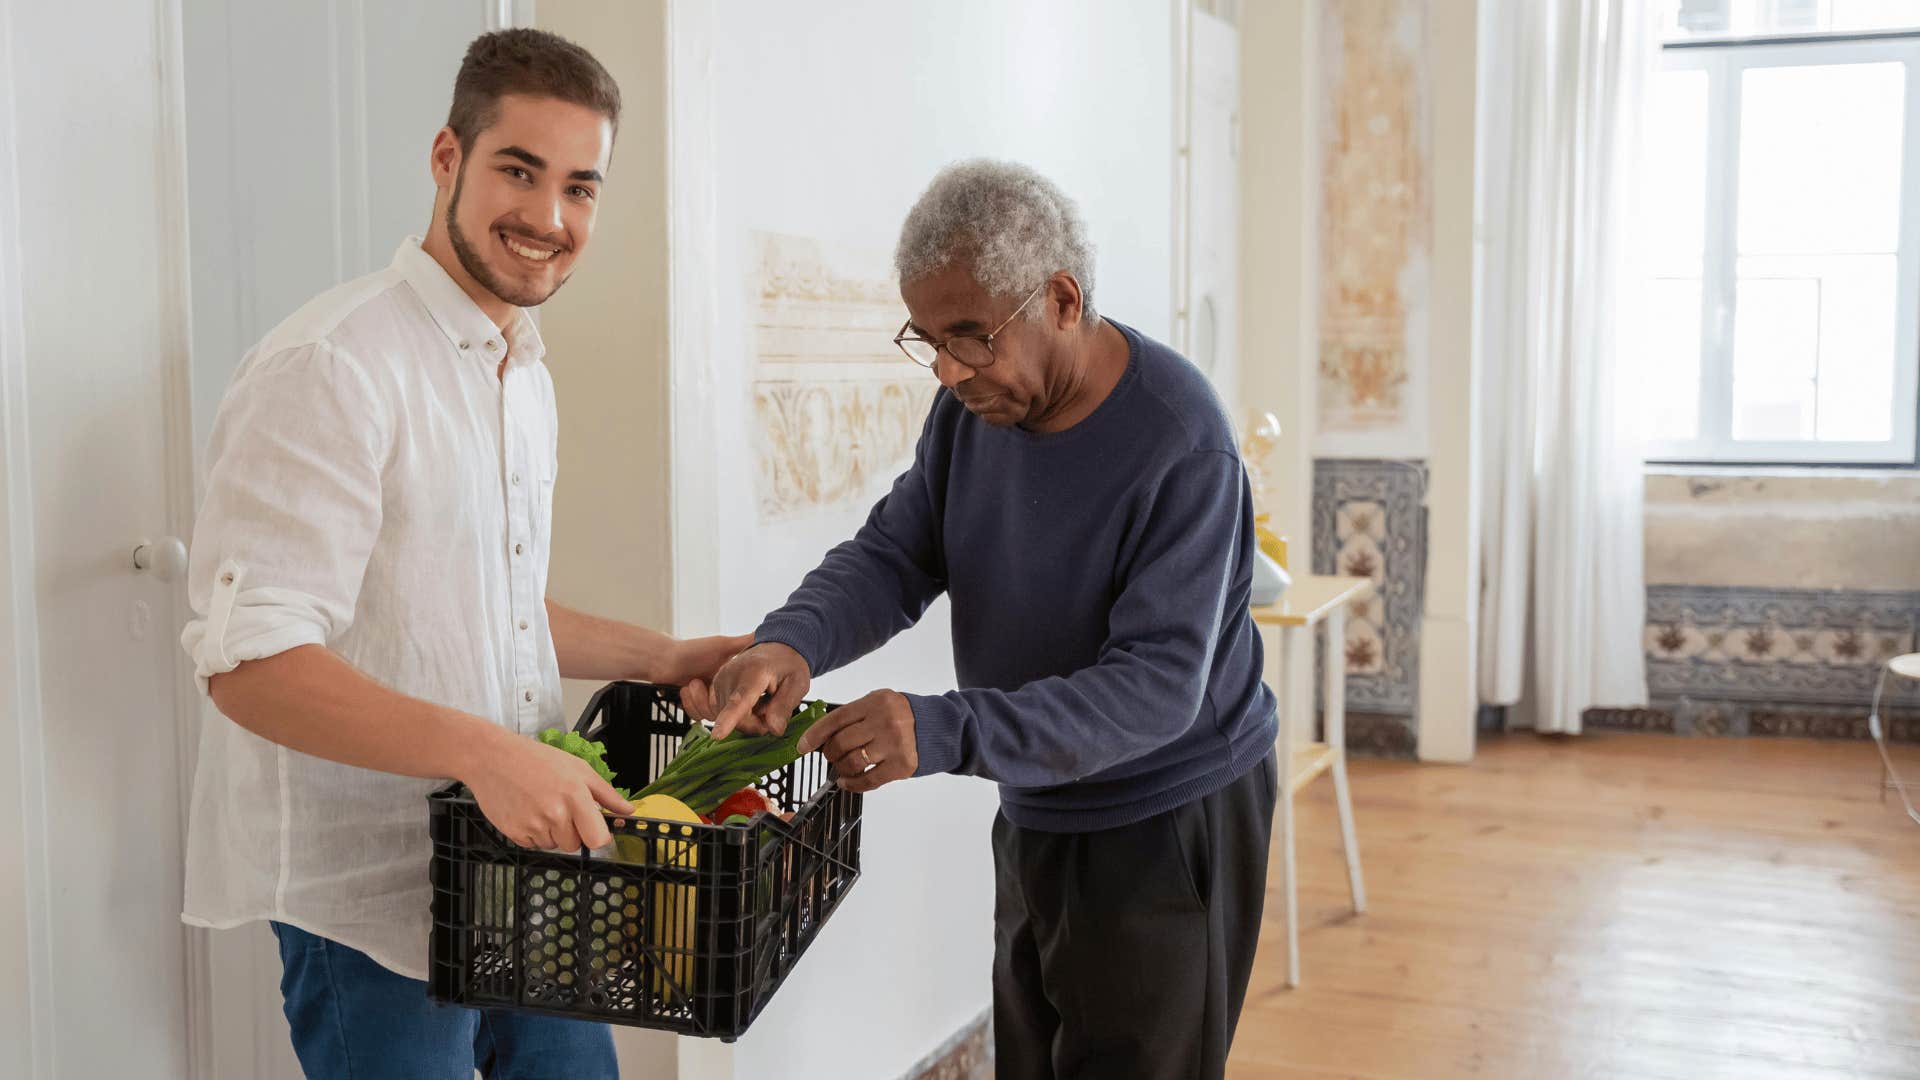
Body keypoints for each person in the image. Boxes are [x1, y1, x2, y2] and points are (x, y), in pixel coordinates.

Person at [179, 29, 744, 1078]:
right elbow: (247, 665)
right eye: (518, 172)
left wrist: (666, 658)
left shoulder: (520, 368)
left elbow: (487, 599)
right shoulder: (333, 366)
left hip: (523, 869)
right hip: (374, 903)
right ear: (448, 158)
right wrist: (485, 753)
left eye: (581, 187)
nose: (549, 218)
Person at [688, 159, 1280, 1079]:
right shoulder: (972, 413)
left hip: (1167, 819)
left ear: (1062, 299)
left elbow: (1158, 691)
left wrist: (940, 728)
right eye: (926, 339)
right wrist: (791, 640)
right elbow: (897, 552)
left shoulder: (1182, 441)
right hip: (1039, 795)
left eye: (971, 338)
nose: (949, 369)